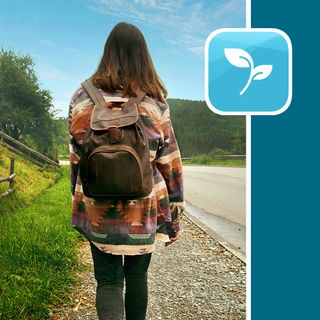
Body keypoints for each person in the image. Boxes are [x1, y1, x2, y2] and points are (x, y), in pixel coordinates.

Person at [68, 22, 184, 320]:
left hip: (98, 205)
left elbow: (76, 156)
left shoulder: (81, 96)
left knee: (107, 281)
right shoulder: (154, 99)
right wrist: (176, 199)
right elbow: (168, 155)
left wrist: (78, 195)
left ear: (108, 53)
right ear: (142, 55)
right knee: (136, 278)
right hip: (142, 207)